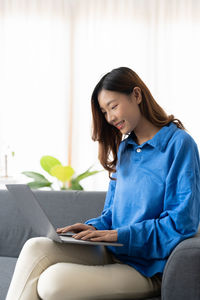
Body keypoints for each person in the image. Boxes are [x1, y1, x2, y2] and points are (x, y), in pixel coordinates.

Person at [6, 67, 200, 300]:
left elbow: (181, 224)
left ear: (136, 95)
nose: (110, 118)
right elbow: (111, 214)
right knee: (35, 246)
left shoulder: (179, 144)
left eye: (113, 106)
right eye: (104, 111)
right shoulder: (125, 149)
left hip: (148, 268)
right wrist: (94, 228)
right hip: (114, 251)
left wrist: (120, 235)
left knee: (52, 282)